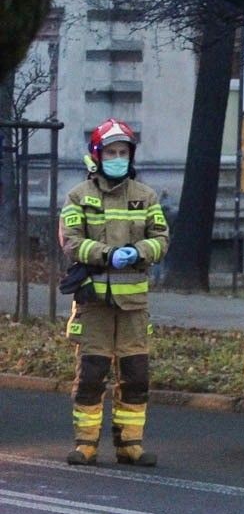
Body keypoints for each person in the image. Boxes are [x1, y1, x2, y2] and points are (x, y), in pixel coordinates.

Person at [58, 118, 170, 466]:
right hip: (95, 303)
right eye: (111, 152)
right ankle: (86, 445)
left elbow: (162, 239)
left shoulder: (145, 196)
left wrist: (139, 252)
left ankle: (129, 445)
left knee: (135, 375)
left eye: (123, 152)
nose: (118, 157)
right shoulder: (78, 197)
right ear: (98, 155)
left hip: (133, 305)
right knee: (92, 374)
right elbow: (71, 242)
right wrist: (106, 254)